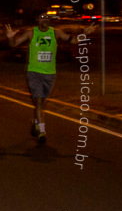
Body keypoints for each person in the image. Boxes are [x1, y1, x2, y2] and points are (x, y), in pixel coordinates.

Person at [6, 13, 93, 143]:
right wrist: (10, 38)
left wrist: (85, 34)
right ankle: (42, 132)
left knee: (42, 102)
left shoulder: (55, 33)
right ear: (37, 20)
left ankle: (36, 121)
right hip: (34, 72)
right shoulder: (31, 33)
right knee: (39, 100)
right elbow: (14, 44)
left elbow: (73, 40)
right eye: (42, 18)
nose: (45, 20)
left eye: (47, 18)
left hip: (50, 73)